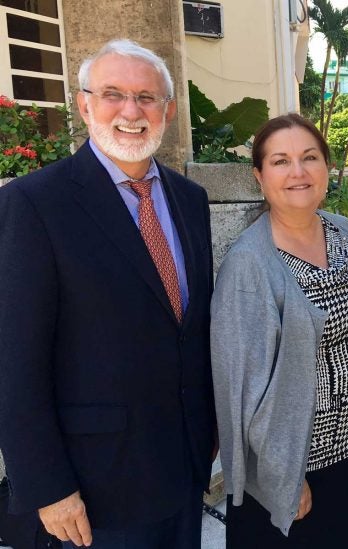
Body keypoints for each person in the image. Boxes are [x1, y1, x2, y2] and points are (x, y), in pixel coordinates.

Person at [0, 39, 215, 548]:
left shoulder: (190, 200)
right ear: (85, 103)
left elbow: (190, 328)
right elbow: (14, 360)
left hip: (182, 471)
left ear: (167, 109)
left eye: (147, 97)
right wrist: (47, 487)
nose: (131, 111)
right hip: (92, 491)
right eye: (114, 94)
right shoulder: (34, 203)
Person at [211, 113, 348, 548]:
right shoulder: (250, 264)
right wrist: (282, 477)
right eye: (281, 161)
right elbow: (241, 387)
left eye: (309, 158)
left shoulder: (341, 231)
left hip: (342, 448)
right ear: (259, 176)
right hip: (288, 464)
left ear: (326, 167)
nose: (298, 172)